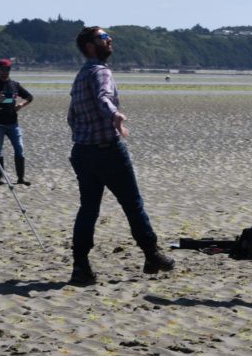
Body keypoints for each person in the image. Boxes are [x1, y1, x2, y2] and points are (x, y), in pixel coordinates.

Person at [66, 26, 175, 286]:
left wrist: (85, 136)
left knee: (88, 209)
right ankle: (152, 255)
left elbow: (71, 117)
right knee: (133, 204)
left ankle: (80, 266)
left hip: (83, 152)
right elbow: (104, 98)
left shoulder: (81, 76)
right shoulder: (101, 72)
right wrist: (115, 116)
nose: (109, 40)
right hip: (107, 151)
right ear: (91, 46)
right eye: (104, 38)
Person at [0, 58, 33, 185]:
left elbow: (30, 97)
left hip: (13, 124)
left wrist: (21, 104)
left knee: (19, 148)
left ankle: (20, 178)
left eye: (8, 69)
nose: (5, 71)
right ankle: (0, 178)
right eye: (3, 69)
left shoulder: (14, 85)